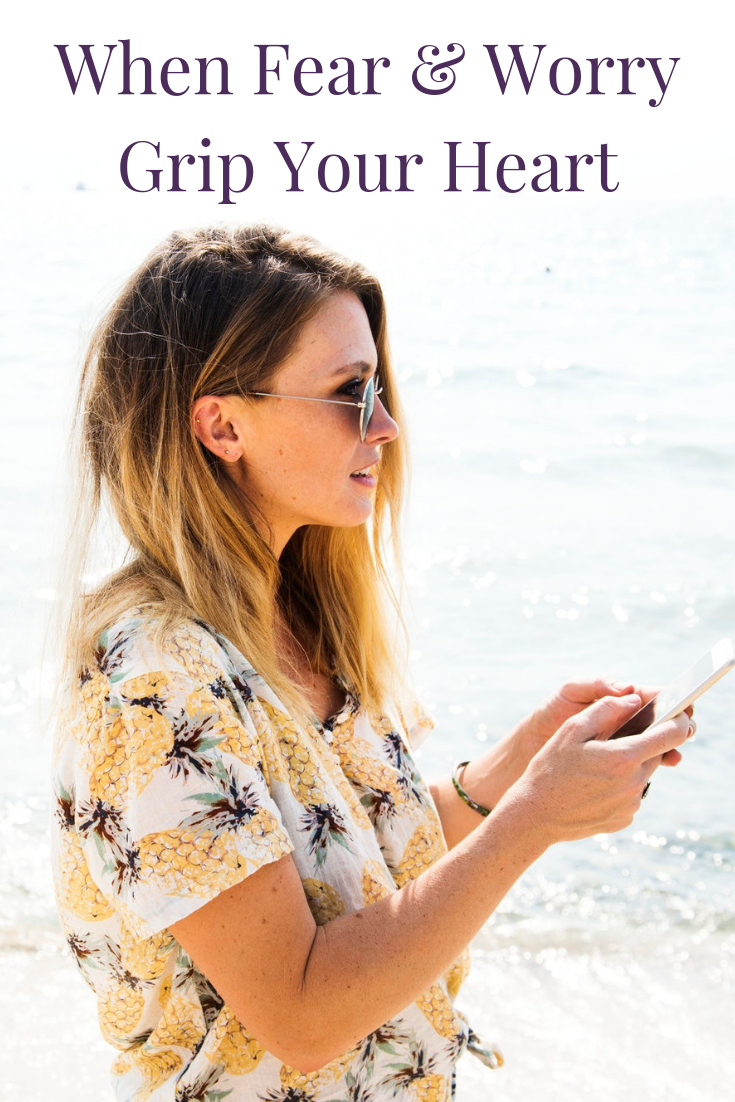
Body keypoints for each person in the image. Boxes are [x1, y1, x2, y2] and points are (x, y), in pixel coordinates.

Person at [50, 224, 693, 1102]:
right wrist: (534, 820)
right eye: (350, 392)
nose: (385, 426)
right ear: (222, 424)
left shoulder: (297, 619)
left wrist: (511, 775)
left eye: (378, 388)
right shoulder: (155, 678)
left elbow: (340, 864)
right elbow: (300, 1014)